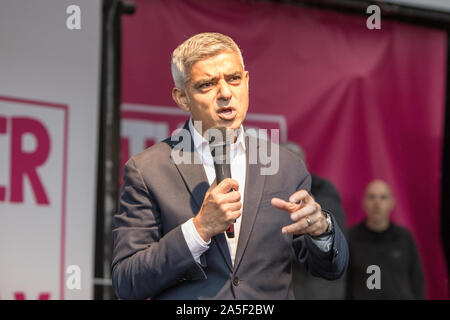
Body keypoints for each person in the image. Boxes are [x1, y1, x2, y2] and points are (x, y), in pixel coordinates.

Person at [111, 32, 348, 300]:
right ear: (182, 98)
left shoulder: (286, 166)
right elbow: (127, 281)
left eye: (234, 79)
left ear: (247, 82)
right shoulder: (148, 170)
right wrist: (199, 229)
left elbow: (329, 269)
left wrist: (322, 231)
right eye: (207, 85)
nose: (225, 93)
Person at [281, 142, 348, 299]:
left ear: (306, 167)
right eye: (284, 165)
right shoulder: (270, 194)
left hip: (315, 289)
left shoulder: (323, 192)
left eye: (295, 165)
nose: (290, 172)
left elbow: (333, 244)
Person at [347, 180, 425, 299]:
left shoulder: (404, 237)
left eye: (383, 197)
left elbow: (417, 280)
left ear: (392, 203)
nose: (377, 203)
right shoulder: (350, 238)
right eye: (371, 197)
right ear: (364, 202)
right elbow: (343, 282)